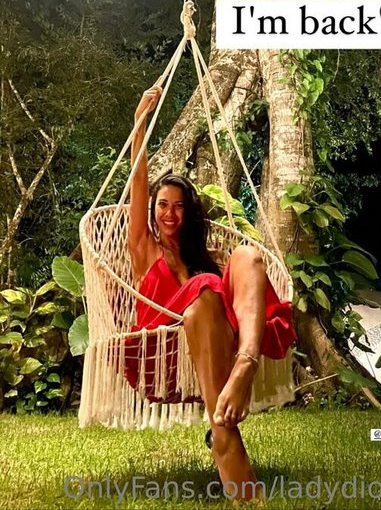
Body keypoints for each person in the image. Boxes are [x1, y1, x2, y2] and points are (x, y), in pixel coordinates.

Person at [126, 86, 296, 501]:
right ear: (153, 211)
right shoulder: (144, 249)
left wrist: (214, 277)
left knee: (247, 255)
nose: (169, 212)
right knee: (203, 289)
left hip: (217, 337)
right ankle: (223, 432)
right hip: (165, 339)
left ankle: (245, 366)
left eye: (178, 205)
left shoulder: (203, 258)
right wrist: (139, 124)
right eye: (162, 204)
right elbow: (138, 185)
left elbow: (237, 293)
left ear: (188, 212)